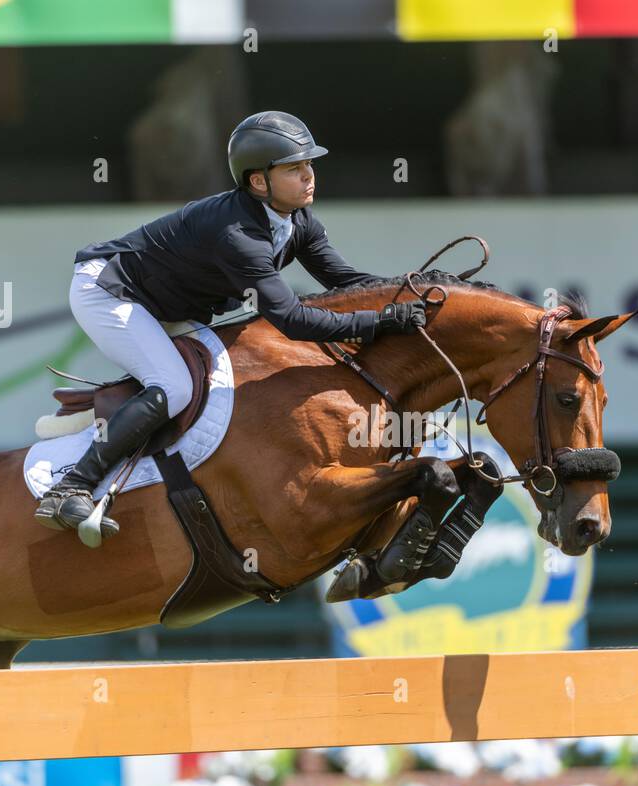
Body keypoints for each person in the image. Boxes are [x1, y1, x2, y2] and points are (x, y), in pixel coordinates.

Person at [35, 110, 428, 537]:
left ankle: (104, 418)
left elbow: (345, 283)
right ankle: (70, 486)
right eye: (295, 169)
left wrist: (414, 292)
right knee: (175, 386)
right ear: (259, 182)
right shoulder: (237, 233)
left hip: (163, 303)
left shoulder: (297, 222)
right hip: (110, 291)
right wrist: (382, 321)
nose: (309, 176)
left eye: (309, 165)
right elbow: (292, 319)